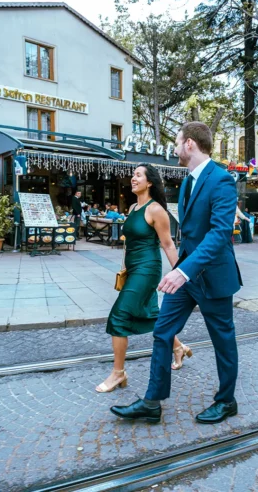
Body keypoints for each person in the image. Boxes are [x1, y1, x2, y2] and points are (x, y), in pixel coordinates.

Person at [111, 122, 242, 425]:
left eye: (177, 141)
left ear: (190, 145)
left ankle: (226, 401)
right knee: (162, 332)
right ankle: (152, 403)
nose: (174, 147)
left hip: (212, 277)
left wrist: (183, 271)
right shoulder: (186, 183)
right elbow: (188, 234)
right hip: (186, 275)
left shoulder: (221, 180)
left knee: (223, 340)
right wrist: (179, 269)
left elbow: (220, 234)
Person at [96, 165, 191, 393]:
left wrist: (181, 273)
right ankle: (178, 348)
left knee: (119, 317)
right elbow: (130, 242)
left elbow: (167, 244)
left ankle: (118, 373)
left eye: (138, 175)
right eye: (133, 175)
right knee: (150, 314)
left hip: (148, 269)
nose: (133, 178)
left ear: (149, 182)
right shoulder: (132, 207)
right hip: (133, 269)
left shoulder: (156, 209)